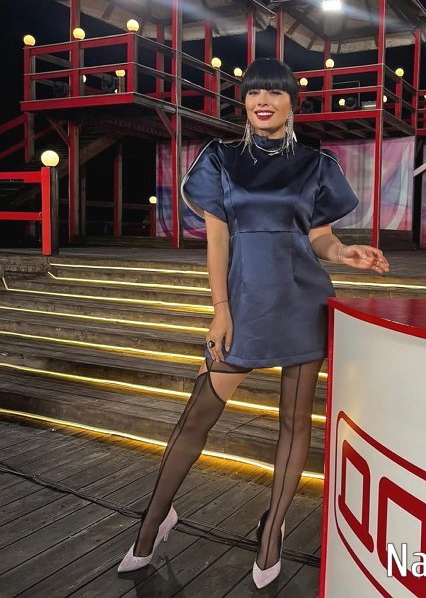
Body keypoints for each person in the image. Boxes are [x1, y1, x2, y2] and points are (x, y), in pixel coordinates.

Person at [117, 58, 390, 587]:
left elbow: (318, 237)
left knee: (294, 424)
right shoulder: (221, 158)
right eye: (253, 93)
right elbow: (218, 240)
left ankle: (271, 534)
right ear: (244, 102)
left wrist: (342, 253)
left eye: (275, 92)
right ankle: (153, 523)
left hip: (303, 303)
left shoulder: (316, 163)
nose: (263, 101)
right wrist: (221, 309)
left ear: (293, 102)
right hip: (244, 303)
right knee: (196, 416)